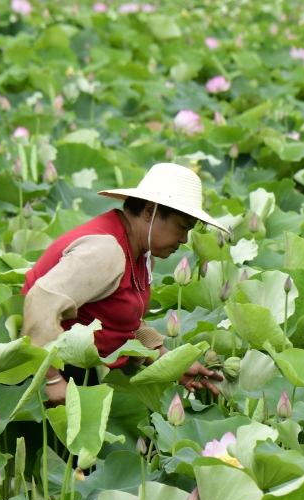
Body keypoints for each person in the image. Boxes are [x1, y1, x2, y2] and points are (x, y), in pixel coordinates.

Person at [21, 163, 226, 406]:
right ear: (150, 211)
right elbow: (40, 301)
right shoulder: (106, 250)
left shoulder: (141, 253)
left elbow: (122, 323)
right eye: (181, 227)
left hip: (81, 370)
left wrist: (173, 364)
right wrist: (52, 380)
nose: (183, 239)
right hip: (44, 370)